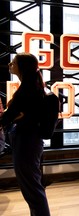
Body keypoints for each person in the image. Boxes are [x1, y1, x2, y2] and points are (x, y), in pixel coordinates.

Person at [0, 52, 50, 216]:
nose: (10, 65)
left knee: (32, 190)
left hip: (26, 143)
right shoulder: (32, 87)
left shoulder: (26, 91)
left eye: (13, 63)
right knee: (33, 188)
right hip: (29, 142)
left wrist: (9, 114)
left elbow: (6, 118)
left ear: (22, 67)